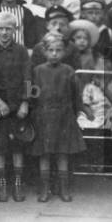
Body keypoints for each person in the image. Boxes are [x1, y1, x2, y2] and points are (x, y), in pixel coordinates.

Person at [29, 33, 87, 203]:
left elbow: (76, 94)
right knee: (44, 154)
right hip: (44, 117)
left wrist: (76, 112)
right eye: (51, 50)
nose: (54, 54)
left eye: (58, 50)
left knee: (63, 153)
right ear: (44, 52)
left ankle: (64, 189)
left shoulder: (68, 71)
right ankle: (44, 189)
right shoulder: (37, 71)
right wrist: (33, 110)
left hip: (64, 117)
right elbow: (32, 93)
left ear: (63, 52)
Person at [0, 11, 32, 203]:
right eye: (1, 28)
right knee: (0, 147)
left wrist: (25, 102)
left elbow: (28, 79)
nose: (4, 32)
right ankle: (1, 182)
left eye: (8, 29)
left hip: (18, 105)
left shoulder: (21, 51)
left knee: (18, 146)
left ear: (15, 30)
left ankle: (18, 182)